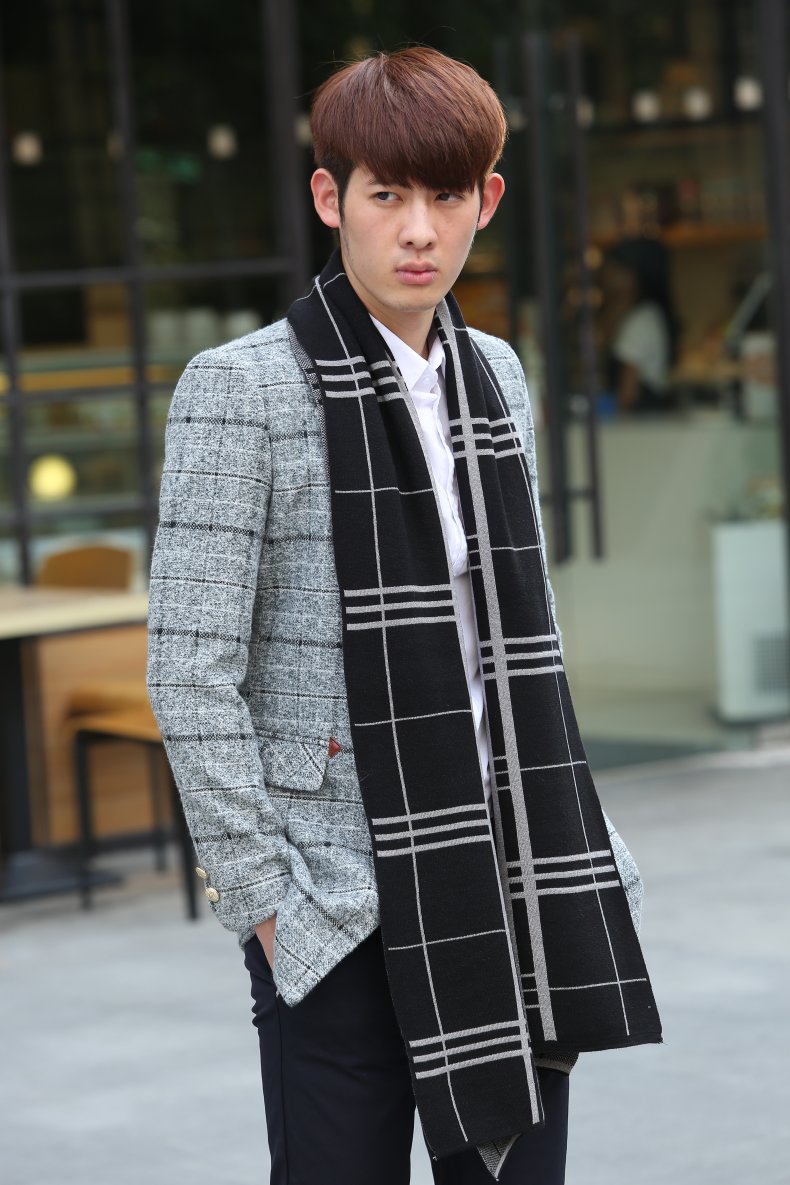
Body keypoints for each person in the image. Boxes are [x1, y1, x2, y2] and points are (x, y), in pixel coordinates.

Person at [146, 46, 662, 1185]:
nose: (418, 230)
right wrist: (265, 902)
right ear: (331, 199)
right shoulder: (241, 389)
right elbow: (189, 669)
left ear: (488, 200)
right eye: (386, 195)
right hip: (336, 894)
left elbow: (515, 636)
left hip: (508, 868)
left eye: (446, 196)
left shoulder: (498, 375)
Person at [600, 235, 680, 413]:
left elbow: (627, 395)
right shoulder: (647, 314)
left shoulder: (640, 321)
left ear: (631, 275)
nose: (606, 275)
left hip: (640, 421)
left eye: (614, 268)